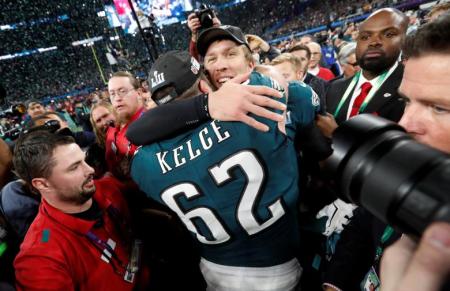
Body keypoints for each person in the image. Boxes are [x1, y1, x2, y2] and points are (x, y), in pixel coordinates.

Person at [130, 48, 315, 291]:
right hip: (280, 267)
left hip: (215, 272)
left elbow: (136, 133)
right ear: (205, 88)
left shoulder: (144, 164)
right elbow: (290, 90)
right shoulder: (252, 111)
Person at [323, 12, 450, 291]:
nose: (404, 124)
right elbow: (365, 220)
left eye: (439, 108)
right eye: (407, 101)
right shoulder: (411, 167)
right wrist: (335, 283)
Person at [12, 130, 150, 291]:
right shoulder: (40, 260)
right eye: (74, 167)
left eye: (83, 160)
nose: (90, 170)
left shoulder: (104, 187)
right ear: (42, 184)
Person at [318, 8, 409, 138]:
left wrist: (336, 135)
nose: (374, 42)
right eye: (365, 37)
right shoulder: (334, 88)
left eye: (388, 34)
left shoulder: (413, 91)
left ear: (404, 40)